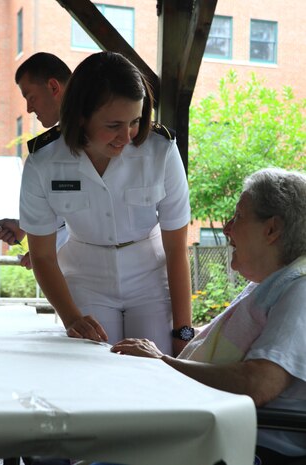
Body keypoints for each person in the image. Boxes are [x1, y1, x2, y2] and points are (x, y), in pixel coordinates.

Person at [111, 167, 306, 465]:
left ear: (272, 229)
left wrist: (165, 364)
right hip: (225, 432)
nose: (227, 228)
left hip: (252, 448)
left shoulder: (299, 291)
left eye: (238, 217)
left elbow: (259, 384)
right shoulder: (269, 285)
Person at [19, 51, 193, 357]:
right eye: (113, 125)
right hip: (86, 279)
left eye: (135, 122)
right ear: (81, 115)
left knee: (154, 369)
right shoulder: (44, 161)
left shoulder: (160, 150)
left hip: (150, 279)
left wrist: (183, 330)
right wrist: (72, 317)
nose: (126, 137)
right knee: (91, 368)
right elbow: (43, 256)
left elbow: (177, 247)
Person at [0, 52, 72, 268]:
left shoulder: (109, 141)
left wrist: (47, 250)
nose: (29, 109)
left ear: (53, 87)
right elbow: (72, 211)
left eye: (30, 97)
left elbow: (107, 217)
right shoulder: (45, 154)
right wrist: (29, 228)